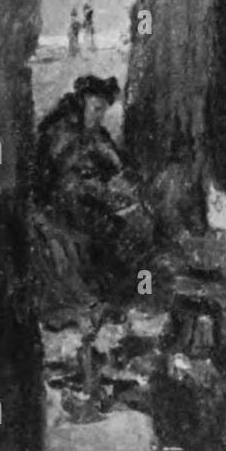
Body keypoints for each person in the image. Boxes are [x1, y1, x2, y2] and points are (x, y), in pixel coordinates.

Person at [35, 75, 154, 302]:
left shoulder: (96, 133)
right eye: (96, 109)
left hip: (90, 197)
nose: (99, 116)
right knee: (114, 227)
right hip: (62, 203)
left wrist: (117, 173)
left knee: (139, 218)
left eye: (103, 111)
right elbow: (64, 177)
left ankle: (136, 287)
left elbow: (114, 164)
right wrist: (101, 188)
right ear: (82, 103)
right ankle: (115, 292)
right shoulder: (61, 132)